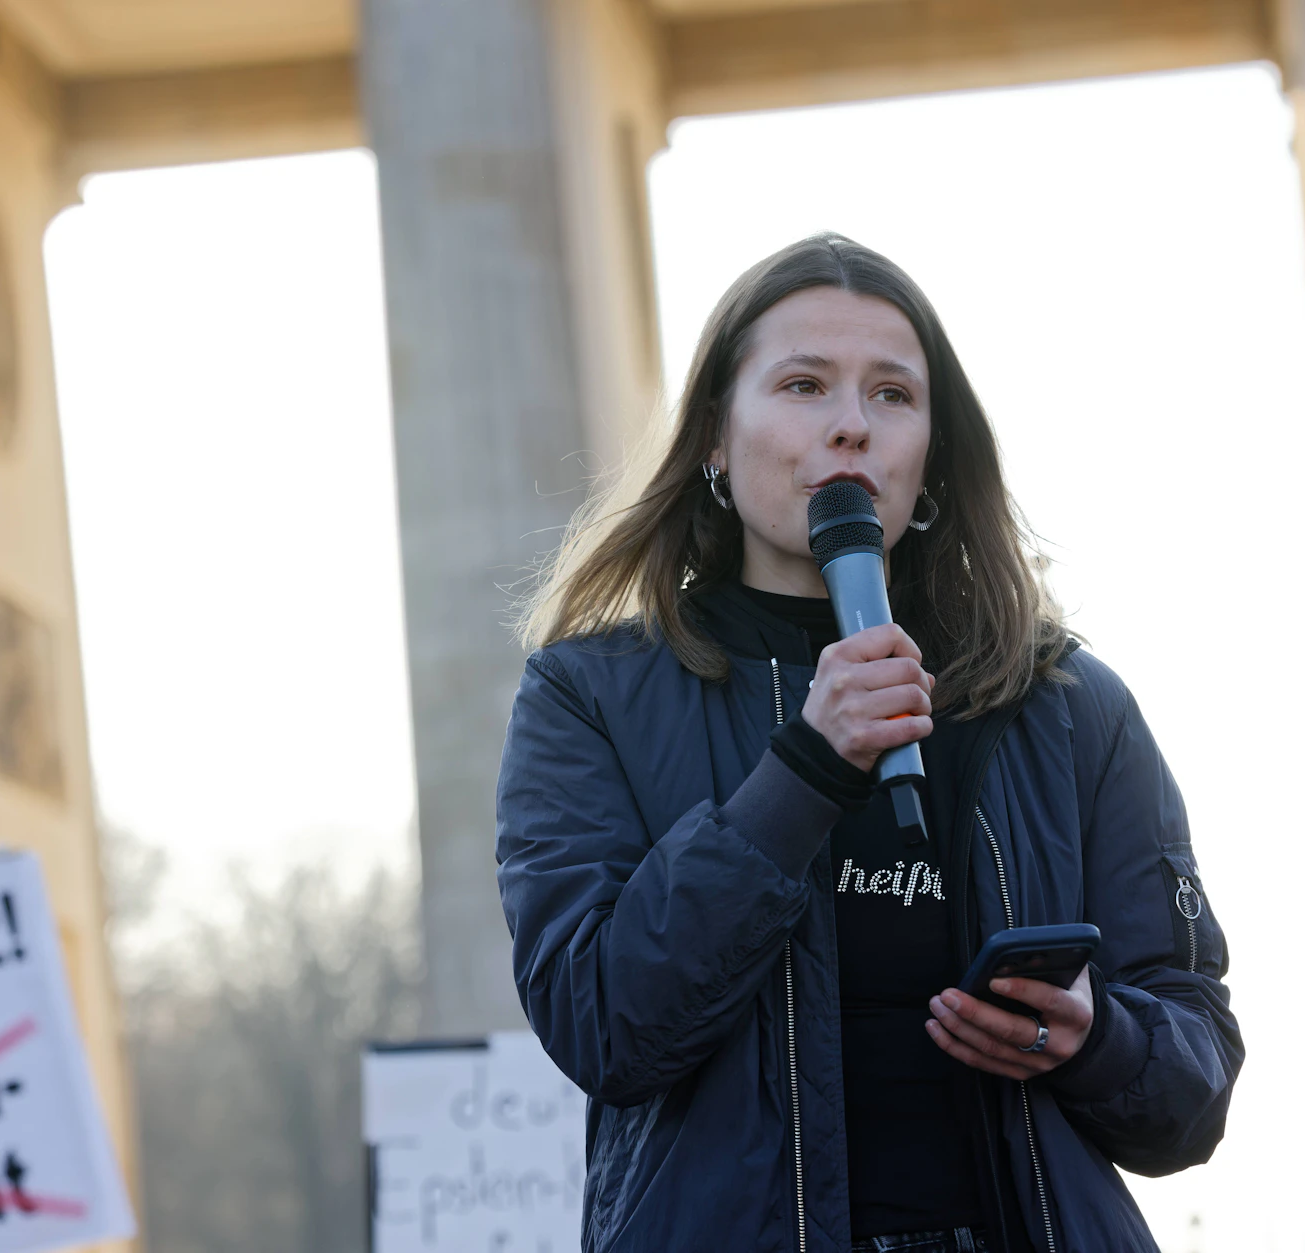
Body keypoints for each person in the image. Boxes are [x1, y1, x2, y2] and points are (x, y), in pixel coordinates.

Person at [495, 234, 1242, 1253]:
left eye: (891, 395)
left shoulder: (1065, 706)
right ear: (714, 433)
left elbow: (1190, 1083)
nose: (850, 425)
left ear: (930, 450)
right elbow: (605, 1025)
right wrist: (804, 766)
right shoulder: (589, 696)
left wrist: (1096, 1036)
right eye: (803, 384)